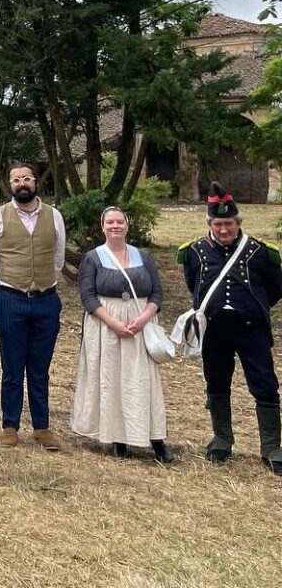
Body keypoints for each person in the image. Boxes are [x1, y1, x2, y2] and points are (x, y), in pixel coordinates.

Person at [178, 182, 282, 474]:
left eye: (229, 224)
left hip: (251, 330)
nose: (224, 229)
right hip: (214, 331)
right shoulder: (194, 252)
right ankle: (222, 440)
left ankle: (271, 447)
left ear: (239, 223)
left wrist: (251, 307)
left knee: (265, 384)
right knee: (216, 382)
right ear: (210, 224)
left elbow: (275, 289)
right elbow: (194, 286)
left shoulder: (261, 252)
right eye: (218, 224)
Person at [70, 207, 173, 463]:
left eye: (120, 222)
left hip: (140, 323)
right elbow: (88, 297)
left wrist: (144, 317)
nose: (115, 226)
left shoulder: (143, 256)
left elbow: (157, 293)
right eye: (110, 222)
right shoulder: (93, 258)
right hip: (106, 326)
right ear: (102, 227)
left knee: (142, 382)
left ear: (127, 226)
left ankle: (156, 439)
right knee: (112, 379)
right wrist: (114, 323)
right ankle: (118, 438)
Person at [0, 162, 66, 451]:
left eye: (27, 178)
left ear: (36, 182)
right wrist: (12, 277)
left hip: (46, 300)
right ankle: (10, 426)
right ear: (10, 184)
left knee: (40, 368)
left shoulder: (54, 216)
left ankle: (42, 428)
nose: (22, 183)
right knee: (12, 366)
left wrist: (42, 279)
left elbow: (58, 258)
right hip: (11, 299)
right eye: (17, 179)